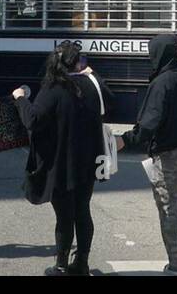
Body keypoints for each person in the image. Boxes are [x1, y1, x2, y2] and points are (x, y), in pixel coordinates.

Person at [14, 42, 111, 275]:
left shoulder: (53, 87)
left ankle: (60, 265)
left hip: (61, 163)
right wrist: (93, 74)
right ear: (78, 62)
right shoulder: (91, 84)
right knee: (82, 211)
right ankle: (82, 263)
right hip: (88, 160)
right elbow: (110, 101)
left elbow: (33, 120)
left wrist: (19, 99)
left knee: (64, 216)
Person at [119, 34, 177, 275]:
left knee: (169, 209)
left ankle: (176, 262)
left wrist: (126, 140)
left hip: (169, 157)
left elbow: (149, 123)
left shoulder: (161, 83)